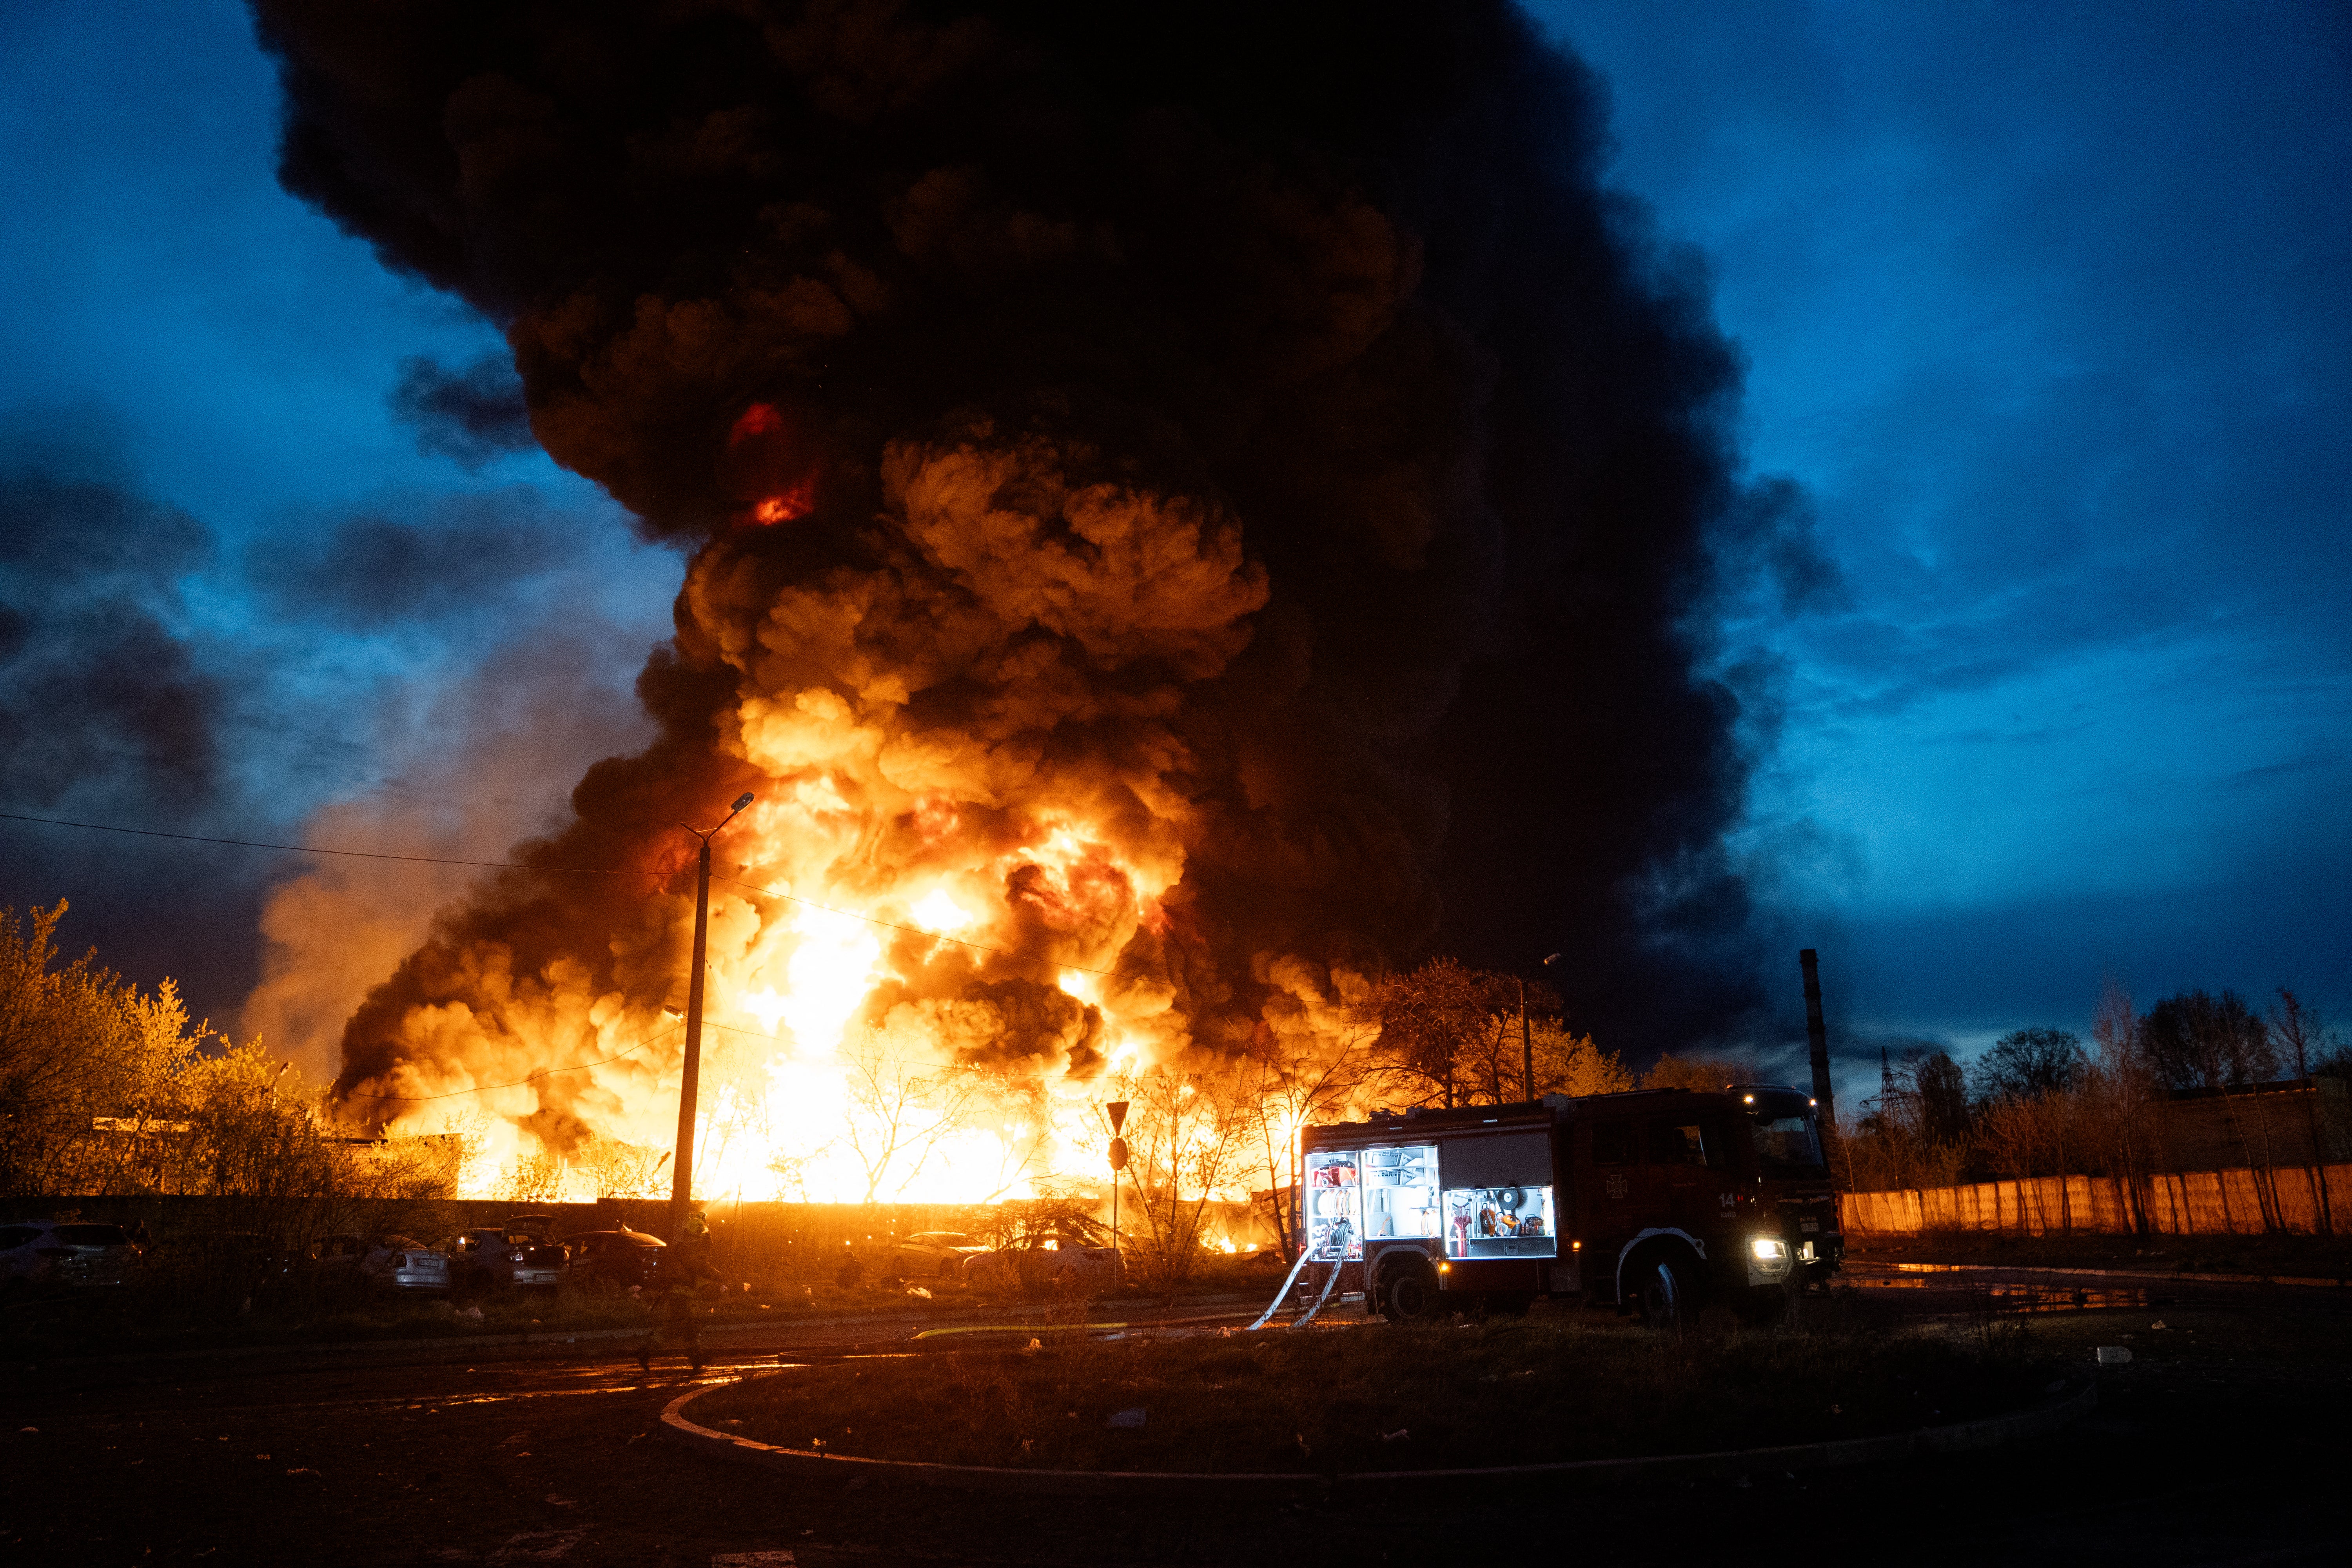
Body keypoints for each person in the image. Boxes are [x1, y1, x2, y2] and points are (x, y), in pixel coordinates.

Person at [636, 1214, 718, 1373]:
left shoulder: (684, 1246)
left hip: (679, 1293)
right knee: (678, 1329)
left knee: (684, 1328)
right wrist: (715, 1274)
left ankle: (695, 1359)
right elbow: (697, 1266)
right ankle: (646, 1353)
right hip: (679, 1293)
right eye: (702, 1233)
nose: (704, 1236)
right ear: (697, 1233)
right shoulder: (688, 1248)